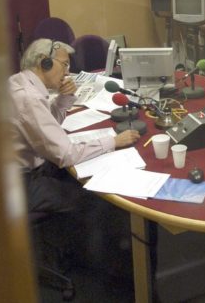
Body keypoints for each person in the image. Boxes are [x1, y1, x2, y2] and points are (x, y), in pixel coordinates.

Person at [9, 38, 141, 274]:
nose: (67, 72)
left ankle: (66, 242)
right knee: (91, 197)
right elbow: (65, 154)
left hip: (21, 169)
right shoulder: (27, 99)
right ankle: (97, 267)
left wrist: (63, 99)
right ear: (45, 63)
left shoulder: (21, 84)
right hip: (17, 185)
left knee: (75, 178)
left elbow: (48, 128)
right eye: (65, 65)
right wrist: (113, 141)